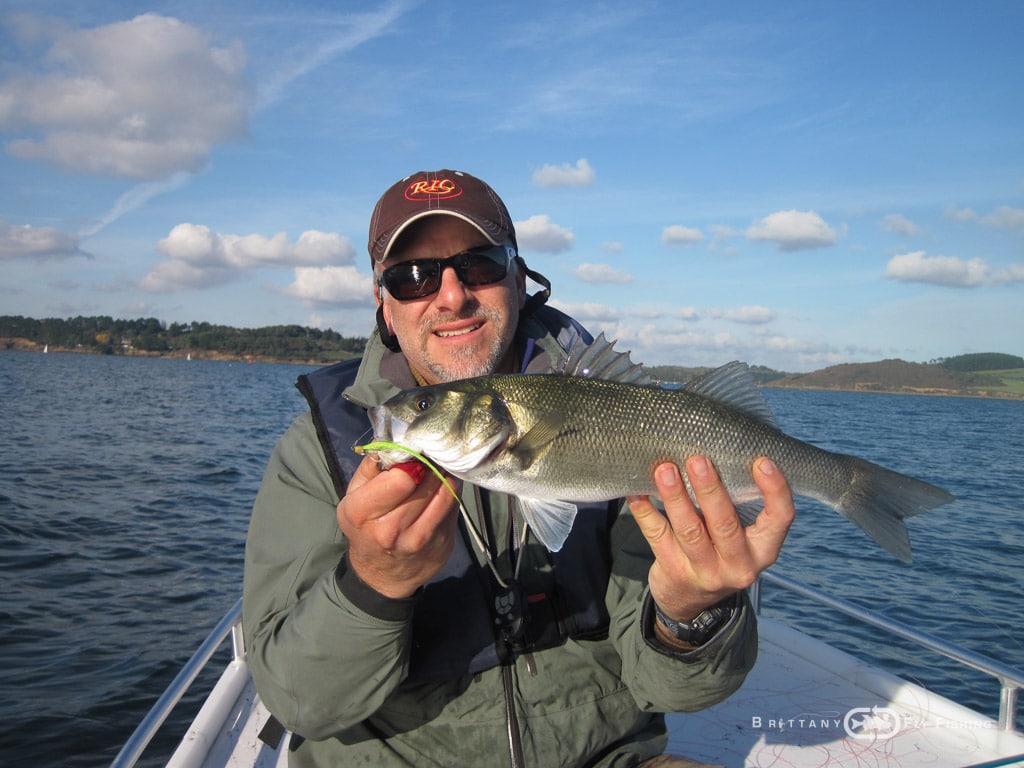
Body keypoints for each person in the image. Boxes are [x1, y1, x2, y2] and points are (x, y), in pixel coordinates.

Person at [242, 169, 796, 767]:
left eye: (479, 263)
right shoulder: (318, 449)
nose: (451, 294)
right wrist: (372, 584)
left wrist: (689, 612)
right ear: (383, 302)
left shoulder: (621, 422)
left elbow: (680, 692)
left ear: (519, 276)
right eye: (414, 277)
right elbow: (301, 704)